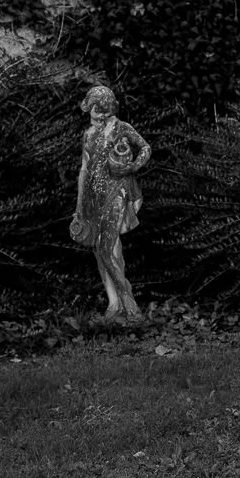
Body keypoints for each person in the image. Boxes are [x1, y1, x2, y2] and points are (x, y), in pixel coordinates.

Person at [70, 84, 151, 324]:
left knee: (107, 248)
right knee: (102, 250)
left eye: (105, 110)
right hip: (92, 199)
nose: (101, 115)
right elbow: (84, 170)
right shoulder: (88, 135)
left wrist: (134, 165)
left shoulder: (121, 128)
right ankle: (114, 303)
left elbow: (145, 147)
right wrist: (78, 206)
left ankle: (130, 305)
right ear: (88, 108)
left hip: (116, 195)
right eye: (96, 110)